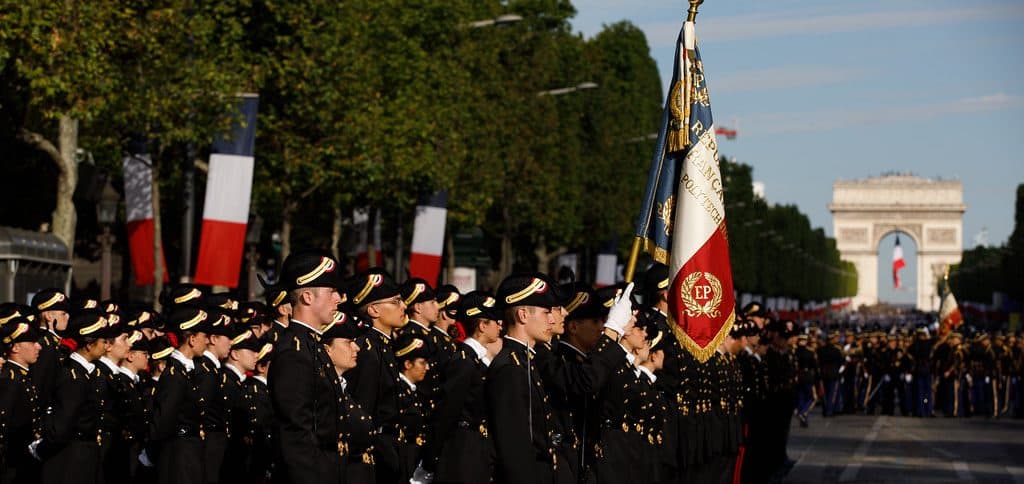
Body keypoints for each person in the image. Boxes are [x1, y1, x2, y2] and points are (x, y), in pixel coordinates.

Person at [267, 249, 347, 484]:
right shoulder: (295, 351)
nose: (339, 298)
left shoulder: (311, 345)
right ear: (307, 297)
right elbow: (297, 435)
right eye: (331, 291)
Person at [423, 291, 497, 484]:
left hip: (476, 448)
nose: (500, 325)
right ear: (482, 326)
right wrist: (431, 458)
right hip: (461, 451)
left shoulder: (476, 361)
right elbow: (447, 410)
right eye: (495, 320)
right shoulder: (464, 361)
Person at [345, 268, 408, 484]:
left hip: (390, 450)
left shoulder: (382, 345)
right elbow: (363, 411)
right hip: (376, 455)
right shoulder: (367, 349)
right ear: (373, 310)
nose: (404, 306)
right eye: (396, 301)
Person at [33, 311, 109, 484]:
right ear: (89, 345)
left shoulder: (86, 372)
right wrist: (42, 450)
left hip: (83, 456)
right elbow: (63, 423)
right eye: (103, 341)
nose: (107, 346)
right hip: (70, 459)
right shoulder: (73, 376)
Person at [147, 305, 211, 484]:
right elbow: (164, 422)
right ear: (192, 339)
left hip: (187, 455)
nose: (207, 342)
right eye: (204, 336)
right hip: (178, 458)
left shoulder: (185, 371)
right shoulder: (175, 375)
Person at [321, 310, 376, 484]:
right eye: (348, 342)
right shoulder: (323, 390)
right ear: (327, 349)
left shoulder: (342, 387)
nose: (356, 347)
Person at [0, 319, 43, 484]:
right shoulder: (9, 380)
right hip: (12, 466)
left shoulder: (23, 377)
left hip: (24, 462)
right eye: (32, 342)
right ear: (15, 347)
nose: (38, 346)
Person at [220, 328, 261, 483]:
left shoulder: (241, 382)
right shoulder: (225, 381)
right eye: (251, 351)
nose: (257, 355)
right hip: (228, 456)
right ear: (235, 354)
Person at [393, 334, 431, 482]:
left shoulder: (414, 392)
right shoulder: (398, 392)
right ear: (408, 364)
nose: (427, 367)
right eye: (422, 363)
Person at [29, 289, 70, 414]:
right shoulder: (45, 346)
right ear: (48, 316)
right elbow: (39, 388)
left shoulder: (52, 343)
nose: (68, 316)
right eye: (63, 313)